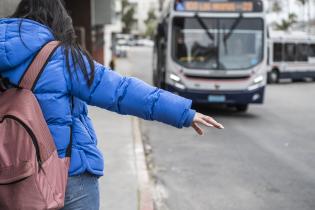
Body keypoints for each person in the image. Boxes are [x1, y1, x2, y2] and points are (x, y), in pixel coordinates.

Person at [0, 0, 224, 209]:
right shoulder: (60, 57)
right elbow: (120, 91)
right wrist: (183, 113)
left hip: (10, 175)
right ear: (57, 19)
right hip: (68, 176)